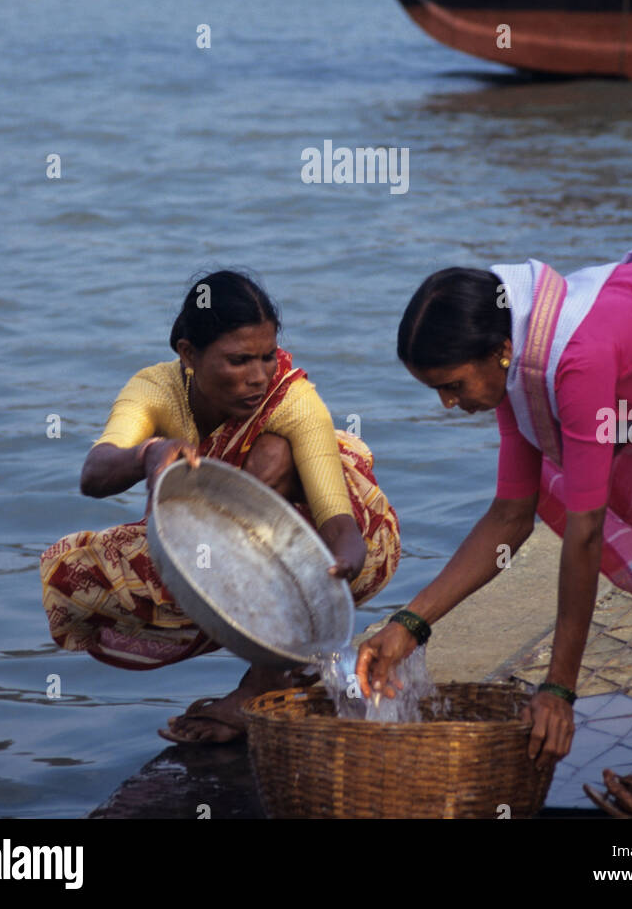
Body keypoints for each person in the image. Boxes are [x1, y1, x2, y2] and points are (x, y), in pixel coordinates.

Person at [356, 211, 632, 820]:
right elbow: (509, 517)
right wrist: (407, 626)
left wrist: (559, 691)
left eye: (451, 385)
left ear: (500, 351)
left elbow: (582, 534)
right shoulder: (518, 368)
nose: (449, 404)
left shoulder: (574, 362)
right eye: (437, 393)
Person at [41, 271, 400, 743]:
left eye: (267, 356)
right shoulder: (155, 389)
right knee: (73, 572)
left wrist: (342, 562)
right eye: (238, 360)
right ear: (188, 354)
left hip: (317, 545)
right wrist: (147, 454)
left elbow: (340, 520)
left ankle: (266, 680)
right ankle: (285, 671)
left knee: (274, 453)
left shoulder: (292, 399)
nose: (258, 376)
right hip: (213, 559)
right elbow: (93, 474)